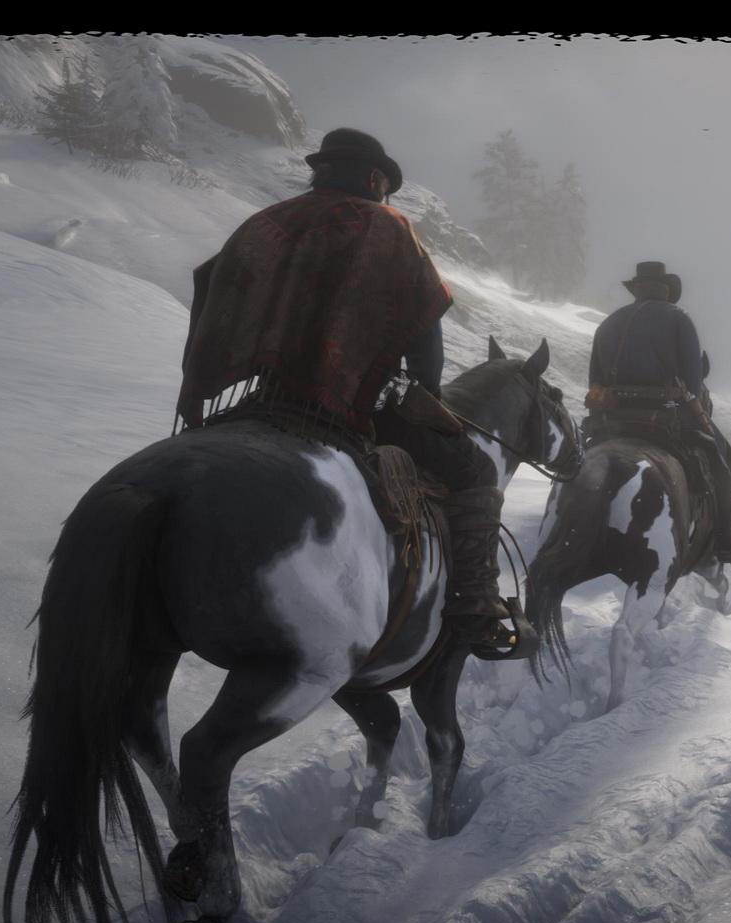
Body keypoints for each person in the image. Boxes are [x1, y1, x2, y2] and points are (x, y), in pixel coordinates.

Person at [176, 127, 519, 653]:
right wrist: (425, 393)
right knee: (475, 471)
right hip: (352, 407)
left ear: (324, 170)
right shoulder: (387, 227)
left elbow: (214, 292)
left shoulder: (270, 221)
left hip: (267, 396)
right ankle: (474, 604)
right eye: (386, 187)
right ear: (375, 178)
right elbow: (424, 320)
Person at [586, 260, 731, 570]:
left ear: (636, 289)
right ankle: (727, 541)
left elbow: (594, 381)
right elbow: (692, 381)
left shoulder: (609, 323)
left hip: (612, 421)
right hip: (667, 417)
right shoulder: (678, 318)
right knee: (726, 460)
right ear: (665, 289)